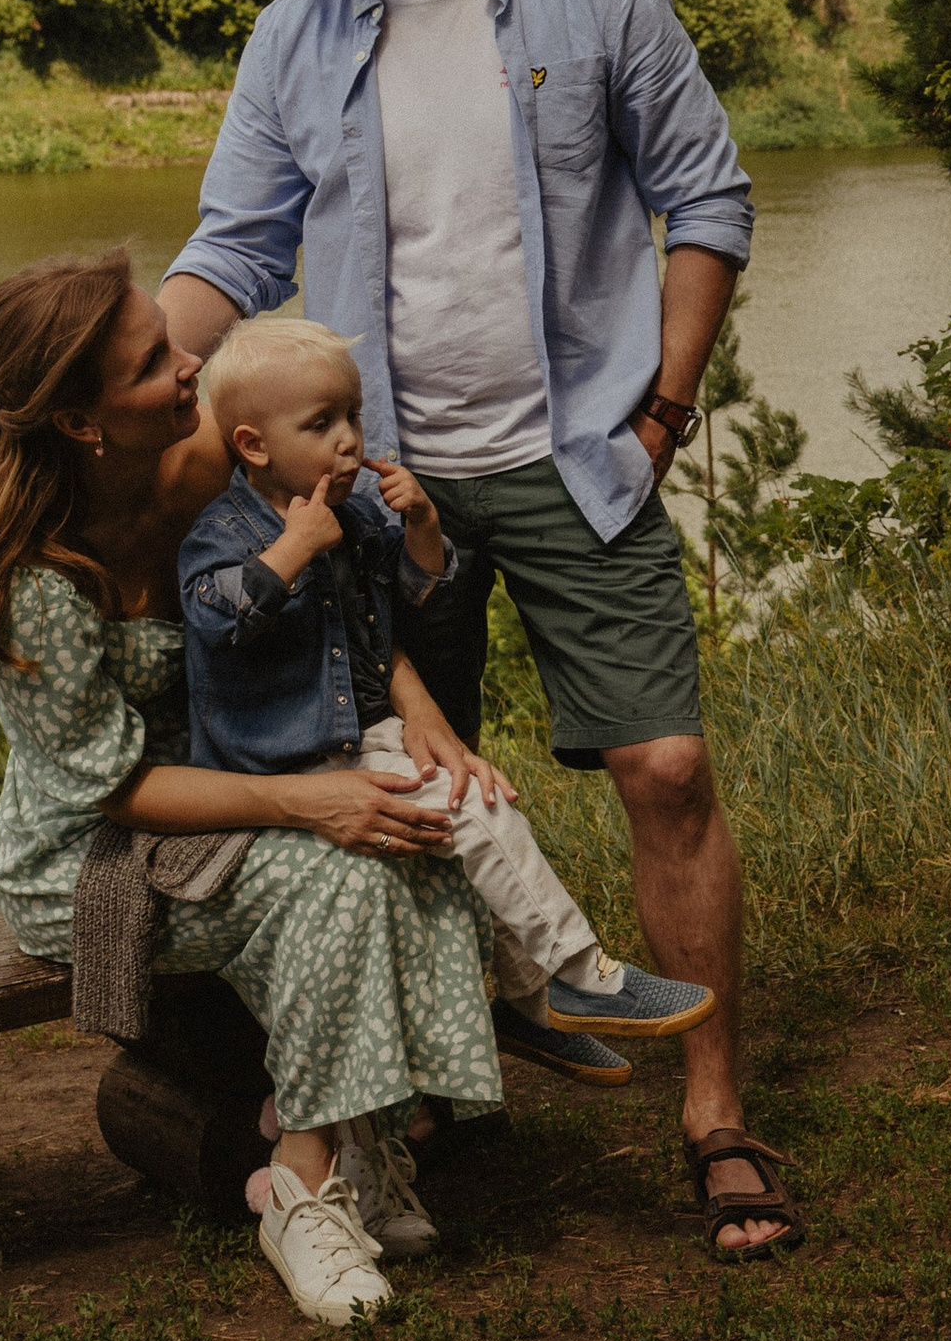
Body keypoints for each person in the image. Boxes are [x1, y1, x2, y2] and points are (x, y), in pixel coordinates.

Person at [157, 0, 805, 1265]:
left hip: (578, 453)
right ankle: (405, 1112)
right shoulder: (294, 35)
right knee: (395, 794)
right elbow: (236, 252)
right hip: (376, 485)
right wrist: (114, 372)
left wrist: (661, 406)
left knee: (663, 766)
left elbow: (705, 195)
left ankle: (713, 1111)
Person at [0, 246, 504, 1328]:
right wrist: (310, 802)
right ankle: (300, 1189)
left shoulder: (208, 464)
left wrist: (420, 719)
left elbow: (334, 592)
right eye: (154, 359)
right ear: (84, 423)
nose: (190, 359)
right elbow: (111, 790)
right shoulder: (39, 579)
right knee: (334, 876)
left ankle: (370, 1137)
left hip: (238, 788)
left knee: (405, 830)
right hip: (95, 854)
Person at [177, 310, 718, 1093]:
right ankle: (574, 970)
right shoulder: (224, 530)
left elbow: (417, 594)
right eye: (322, 423)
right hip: (285, 757)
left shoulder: (356, 515)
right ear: (254, 446)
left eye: (355, 416)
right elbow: (217, 618)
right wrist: (292, 549)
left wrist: (423, 522)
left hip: (361, 735)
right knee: (473, 808)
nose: (350, 441)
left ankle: (533, 1004)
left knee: (479, 802)